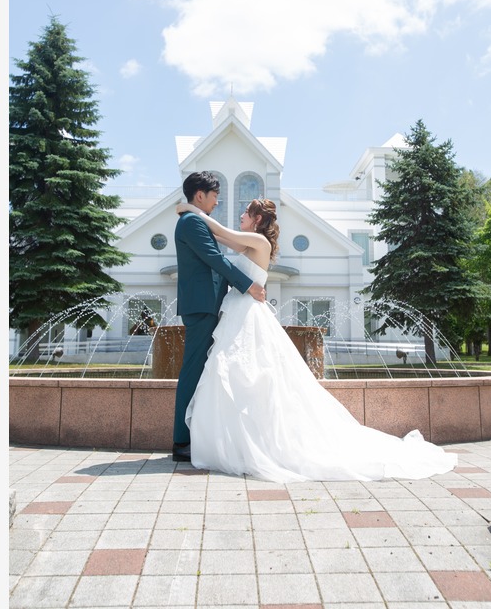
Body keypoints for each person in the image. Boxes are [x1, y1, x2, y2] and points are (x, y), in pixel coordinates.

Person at [175, 197, 457, 482]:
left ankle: (251, 443)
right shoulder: (250, 243)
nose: (241, 215)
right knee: (234, 372)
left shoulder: (259, 243)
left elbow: (224, 233)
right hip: (237, 311)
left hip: (247, 313)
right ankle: (235, 441)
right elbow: (220, 237)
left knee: (246, 372)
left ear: (257, 220)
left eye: (246, 212)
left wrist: (191, 211)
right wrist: (197, 222)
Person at [172, 172, 266, 463]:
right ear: (200, 195)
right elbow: (216, 259)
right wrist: (248, 284)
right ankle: (181, 441)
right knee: (193, 370)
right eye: (214, 195)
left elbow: (228, 247)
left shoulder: (194, 219)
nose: (217, 200)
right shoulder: (191, 223)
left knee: (207, 371)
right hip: (201, 306)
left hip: (210, 304)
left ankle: (201, 434)